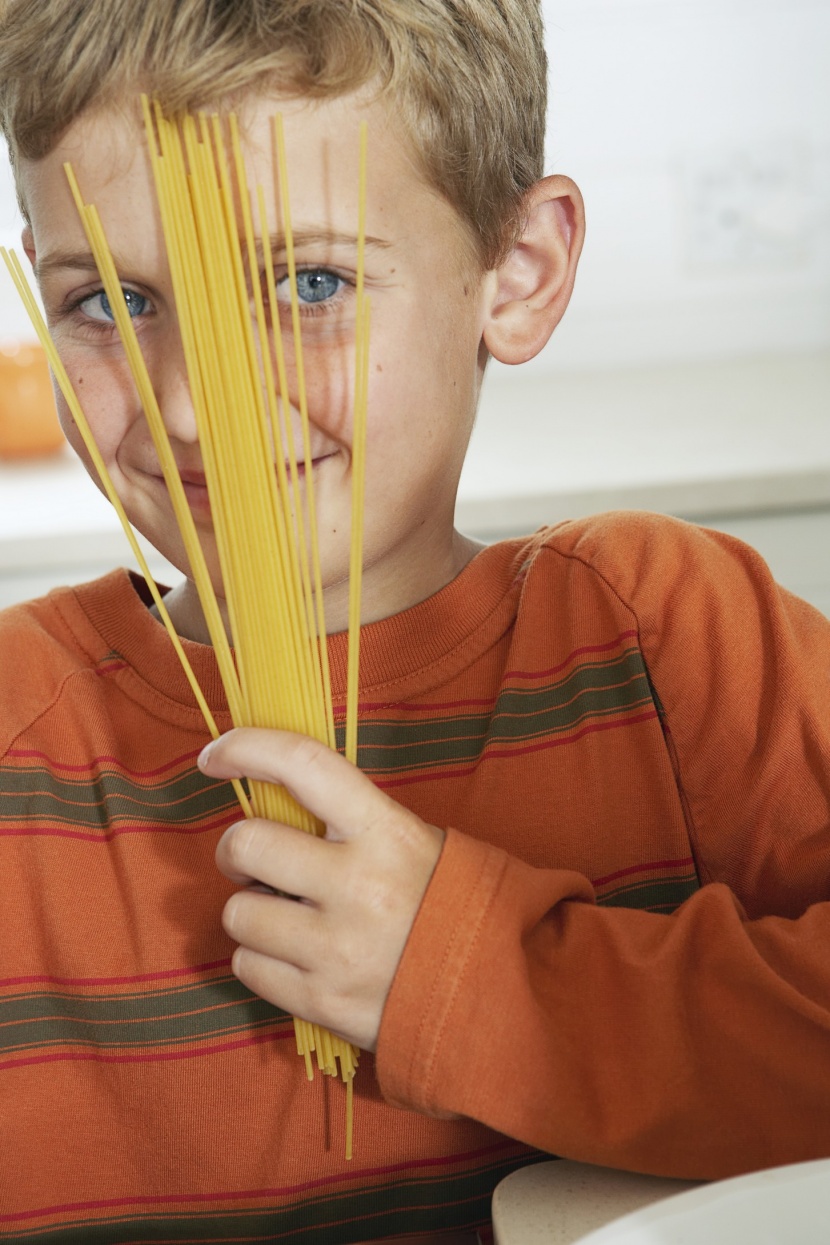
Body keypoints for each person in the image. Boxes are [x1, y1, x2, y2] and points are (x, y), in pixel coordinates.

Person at [1, 1, 829, 1241]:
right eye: (108, 302)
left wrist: (478, 981)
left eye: (309, 282)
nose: (190, 405)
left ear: (519, 274)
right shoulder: (20, 737)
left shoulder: (673, 644)